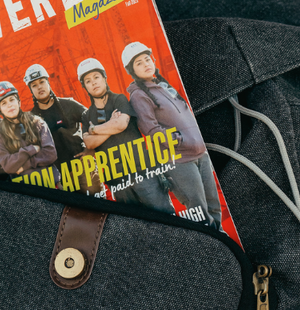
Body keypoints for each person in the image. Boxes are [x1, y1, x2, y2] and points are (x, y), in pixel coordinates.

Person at [122, 42, 222, 230]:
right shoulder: (138, 95)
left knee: (214, 206)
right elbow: (150, 130)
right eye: (138, 63)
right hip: (178, 159)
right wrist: (180, 140)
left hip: (200, 153)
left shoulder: (162, 86)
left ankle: (222, 238)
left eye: (147, 59)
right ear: (132, 70)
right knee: (199, 211)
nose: (146, 64)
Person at [78, 57, 174, 212]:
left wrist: (94, 129)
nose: (94, 83)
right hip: (117, 182)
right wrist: (111, 124)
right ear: (85, 87)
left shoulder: (119, 99)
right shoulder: (87, 115)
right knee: (132, 224)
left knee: (165, 216)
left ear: (104, 78)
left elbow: (121, 124)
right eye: (88, 81)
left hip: (143, 172)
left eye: (96, 77)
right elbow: (89, 143)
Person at [0, 81, 59, 186]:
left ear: (18, 102)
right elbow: (8, 166)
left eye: (12, 100)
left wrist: (25, 165)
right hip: (25, 191)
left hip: (52, 184)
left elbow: (50, 154)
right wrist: (32, 149)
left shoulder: (37, 122)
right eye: (4, 103)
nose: (9, 105)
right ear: (0, 111)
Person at [23, 63, 87, 164]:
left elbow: (92, 118)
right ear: (31, 90)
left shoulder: (68, 104)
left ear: (48, 82)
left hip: (83, 166)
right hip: (57, 172)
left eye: (42, 82)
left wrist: (89, 148)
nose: (39, 87)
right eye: (34, 85)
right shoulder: (31, 119)